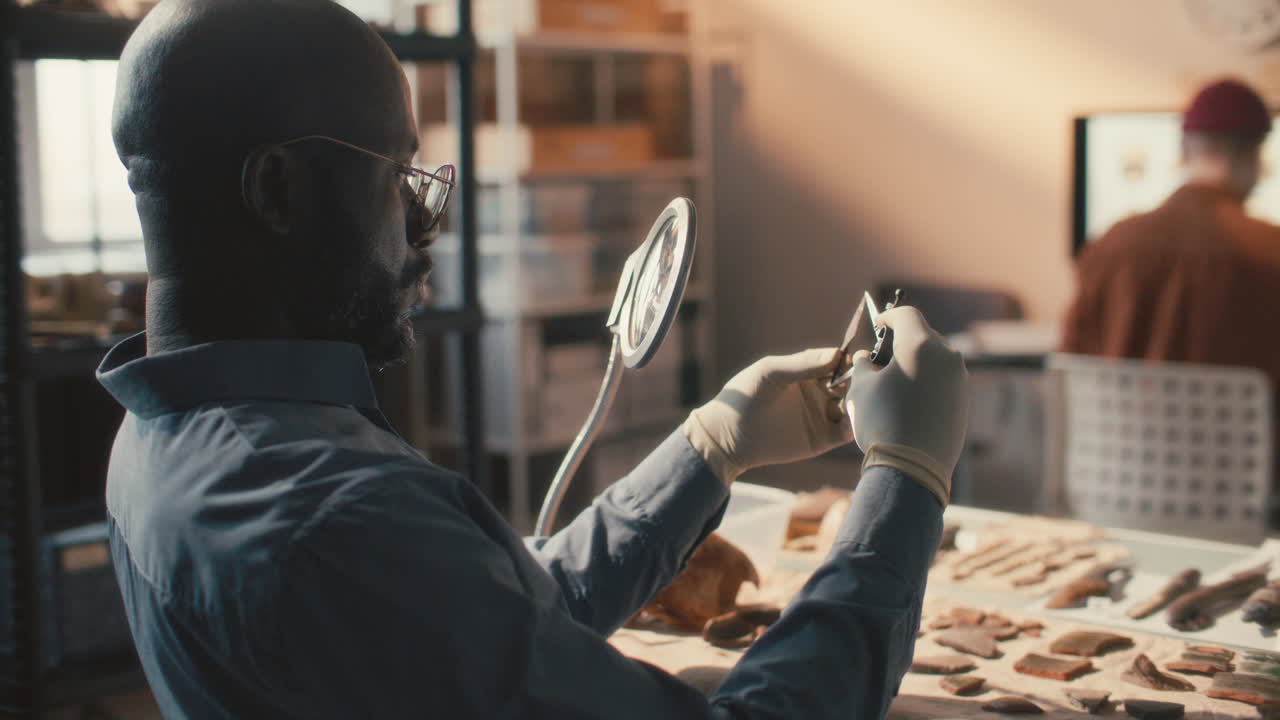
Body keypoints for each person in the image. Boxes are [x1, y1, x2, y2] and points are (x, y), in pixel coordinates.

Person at [97, 0, 969, 717]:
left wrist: (711, 445)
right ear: (279, 189)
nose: (420, 222)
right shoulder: (331, 518)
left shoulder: (165, 440)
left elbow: (492, 624)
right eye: (395, 172)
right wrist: (904, 480)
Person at [1061, 78, 1280, 387]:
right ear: (1255, 156)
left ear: (1184, 148)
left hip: (1120, 435)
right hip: (1237, 435)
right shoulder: (1270, 250)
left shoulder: (1110, 245)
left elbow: (1071, 362)